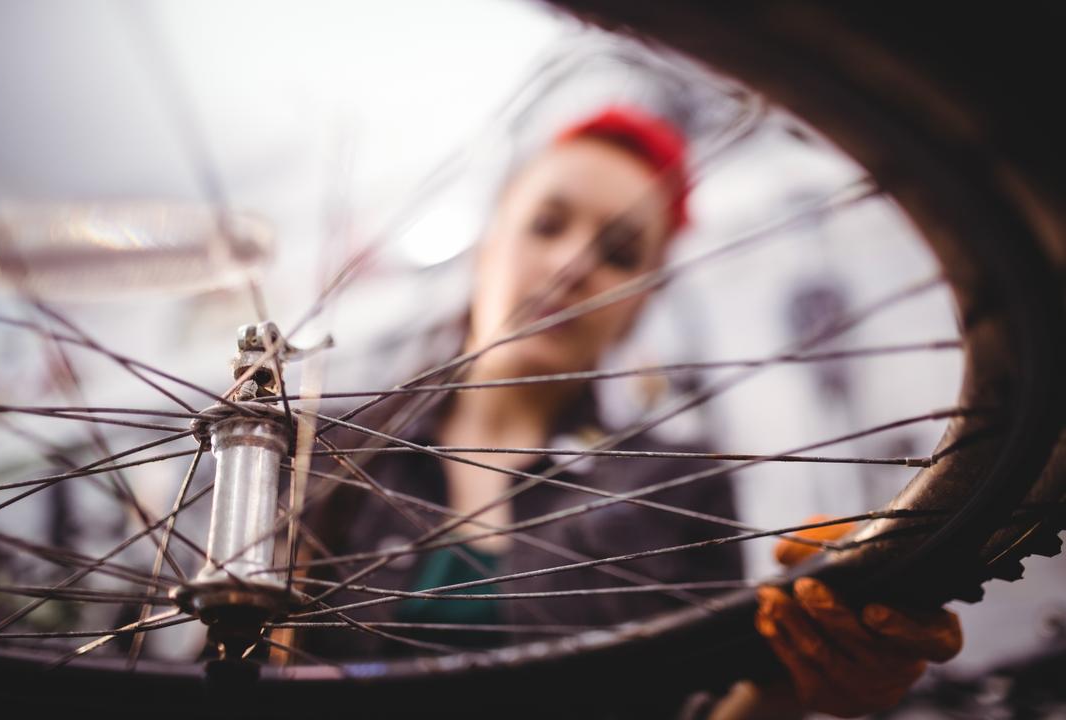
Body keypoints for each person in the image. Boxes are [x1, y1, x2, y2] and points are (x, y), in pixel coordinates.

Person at [302, 106, 961, 718]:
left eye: (619, 255)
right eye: (547, 224)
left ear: (642, 304)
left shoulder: (679, 493)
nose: (570, 265)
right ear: (488, 241)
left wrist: (793, 679)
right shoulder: (324, 448)